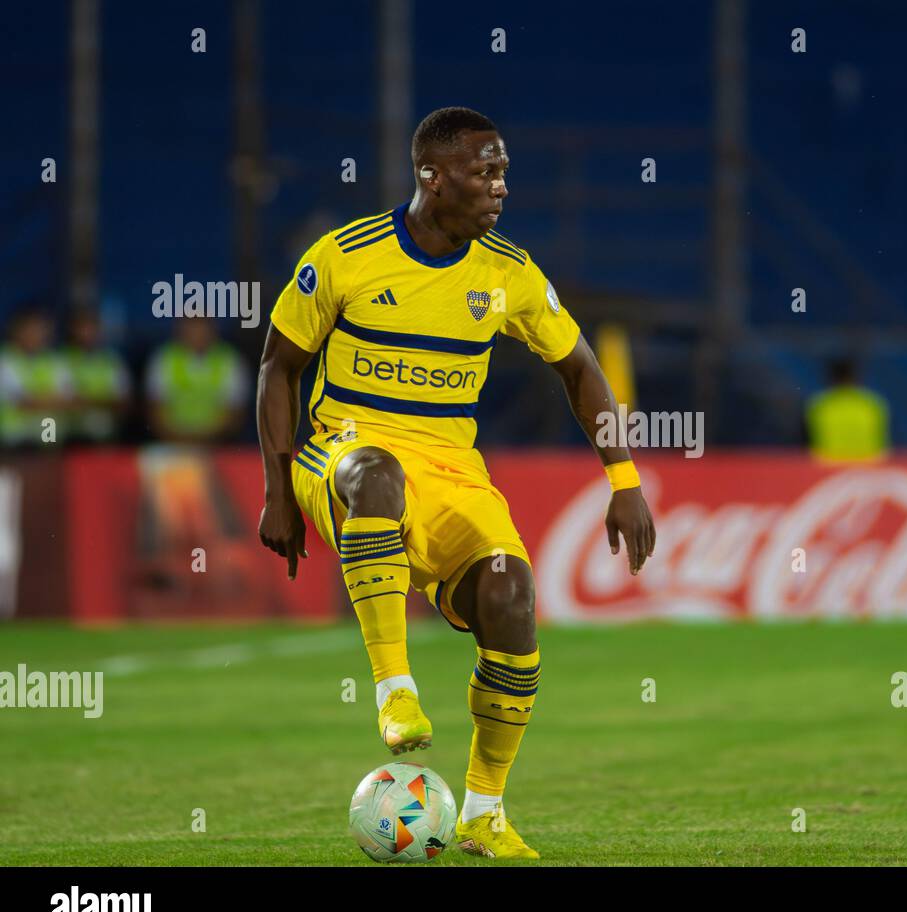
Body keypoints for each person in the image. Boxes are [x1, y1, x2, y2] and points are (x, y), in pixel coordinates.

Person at [256, 107, 656, 860]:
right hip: (343, 453)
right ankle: (394, 691)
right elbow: (278, 366)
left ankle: (483, 813)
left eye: (503, 170)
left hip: (451, 469)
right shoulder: (346, 256)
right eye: (485, 171)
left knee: (510, 594)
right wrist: (278, 491)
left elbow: (581, 369)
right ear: (432, 179)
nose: (500, 186)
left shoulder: (507, 273)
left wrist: (625, 479)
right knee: (375, 477)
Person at [145, 312, 249, 442]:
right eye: (192, 328)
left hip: (217, 445)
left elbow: (236, 414)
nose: (197, 334)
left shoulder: (230, 360)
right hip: (172, 444)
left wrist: (204, 440)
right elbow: (155, 412)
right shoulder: (163, 359)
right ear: (180, 330)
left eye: (202, 328)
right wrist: (182, 440)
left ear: (213, 330)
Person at [0, 305, 71, 448]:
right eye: (30, 329)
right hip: (13, 441)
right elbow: (24, 402)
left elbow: (71, 400)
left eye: (40, 330)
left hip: (49, 439)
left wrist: (38, 399)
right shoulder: (5, 360)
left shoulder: (55, 361)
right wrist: (52, 399)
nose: (35, 335)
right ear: (16, 330)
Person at [63, 307, 130, 442]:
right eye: (82, 327)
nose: (87, 333)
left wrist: (88, 401)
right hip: (69, 430)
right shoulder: (62, 359)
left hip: (105, 431)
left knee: (100, 423)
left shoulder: (111, 361)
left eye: (92, 327)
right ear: (72, 329)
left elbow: (123, 402)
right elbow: (64, 402)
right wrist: (102, 401)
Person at [805, 357, 890, 461]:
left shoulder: (819, 405)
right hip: (869, 466)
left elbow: (807, 446)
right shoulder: (873, 403)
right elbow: (885, 447)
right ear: (856, 377)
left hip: (828, 467)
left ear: (830, 378)